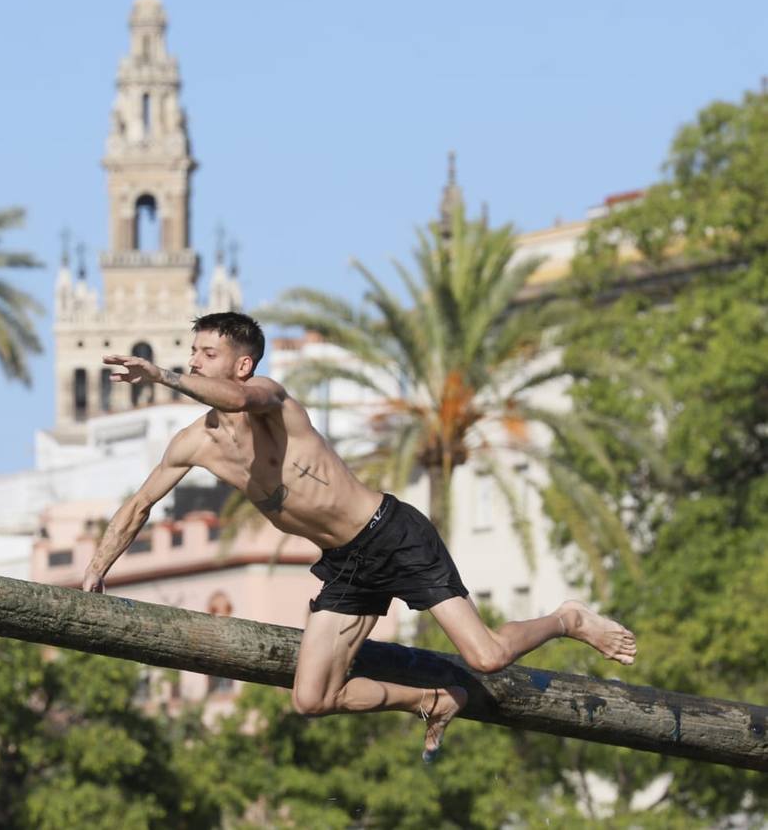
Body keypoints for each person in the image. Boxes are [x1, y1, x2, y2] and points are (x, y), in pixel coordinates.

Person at [81, 311, 636, 762]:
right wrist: (95, 571)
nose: (193, 360)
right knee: (311, 699)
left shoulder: (271, 399)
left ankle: (568, 618)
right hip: (345, 561)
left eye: (207, 354)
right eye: (192, 352)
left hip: (392, 534)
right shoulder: (194, 444)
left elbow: (238, 400)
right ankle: (431, 699)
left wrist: (161, 377)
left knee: (487, 657)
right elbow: (138, 506)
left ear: (242, 364)